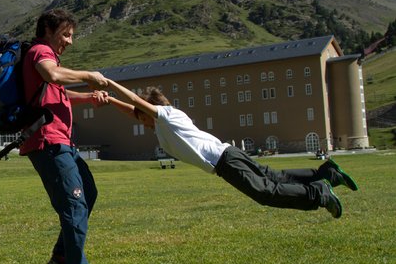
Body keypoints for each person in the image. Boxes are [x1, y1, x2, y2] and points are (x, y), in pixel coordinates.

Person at [104, 79, 359, 218]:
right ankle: (328, 173)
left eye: (142, 116)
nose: (140, 121)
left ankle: (320, 193)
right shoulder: (161, 125)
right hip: (228, 154)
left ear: (150, 110)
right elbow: (133, 110)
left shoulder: (167, 116)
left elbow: (136, 103)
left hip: (225, 162)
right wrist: (110, 100)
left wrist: (110, 84)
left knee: (265, 192)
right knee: (276, 177)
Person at [20, 9, 112, 264]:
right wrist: (88, 75)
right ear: (48, 31)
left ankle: (62, 254)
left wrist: (88, 97)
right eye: (65, 34)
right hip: (48, 142)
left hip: (63, 142)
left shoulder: (50, 61)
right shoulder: (39, 53)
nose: (70, 41)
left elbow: (57, 89)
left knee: (88, 192)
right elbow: (53, 76)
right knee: (74, 203)